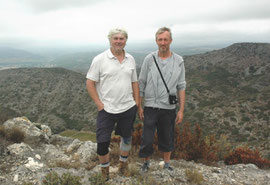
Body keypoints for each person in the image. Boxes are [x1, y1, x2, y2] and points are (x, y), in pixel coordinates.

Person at [86, 28, 139, 180]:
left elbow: (134, 82)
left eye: (121, 38)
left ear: (125, 41)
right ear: (110, 40)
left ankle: (122, 166)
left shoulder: (130, 59)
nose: (118, 41)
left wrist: (136, 103)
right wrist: (99, 104)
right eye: (115, 38)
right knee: (102, 143)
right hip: (107, 109)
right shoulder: (100, 59)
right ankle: (105, 173)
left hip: (128, 107)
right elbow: (90, 83)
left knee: (127, 138)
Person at [138, 27, 186, 172]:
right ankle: (146, 163)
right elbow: (141, 82)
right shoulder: (149, 59)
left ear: (170, 40)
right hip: (151, 106)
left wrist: (181, 110)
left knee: (167, 136)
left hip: (168, 107)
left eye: (166, 39)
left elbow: (181, 86)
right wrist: (139, 106)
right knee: (147, 138)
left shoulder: (178, 61)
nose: (163, 42)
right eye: (160, 39)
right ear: (156, 41)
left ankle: (166, 163)